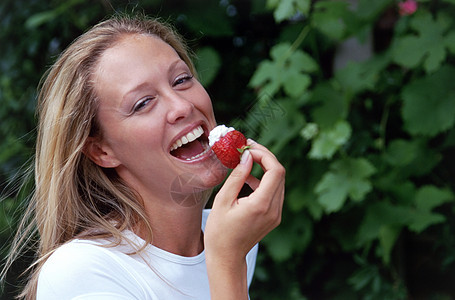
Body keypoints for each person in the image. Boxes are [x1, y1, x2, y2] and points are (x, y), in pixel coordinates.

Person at [2, 14, 285, 299]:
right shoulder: (83, 271)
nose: (182, 106)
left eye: (182, 79)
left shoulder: (230, 233)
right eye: (143, 103)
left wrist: (229, 253)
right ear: (102, 151)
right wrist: (226, 261)